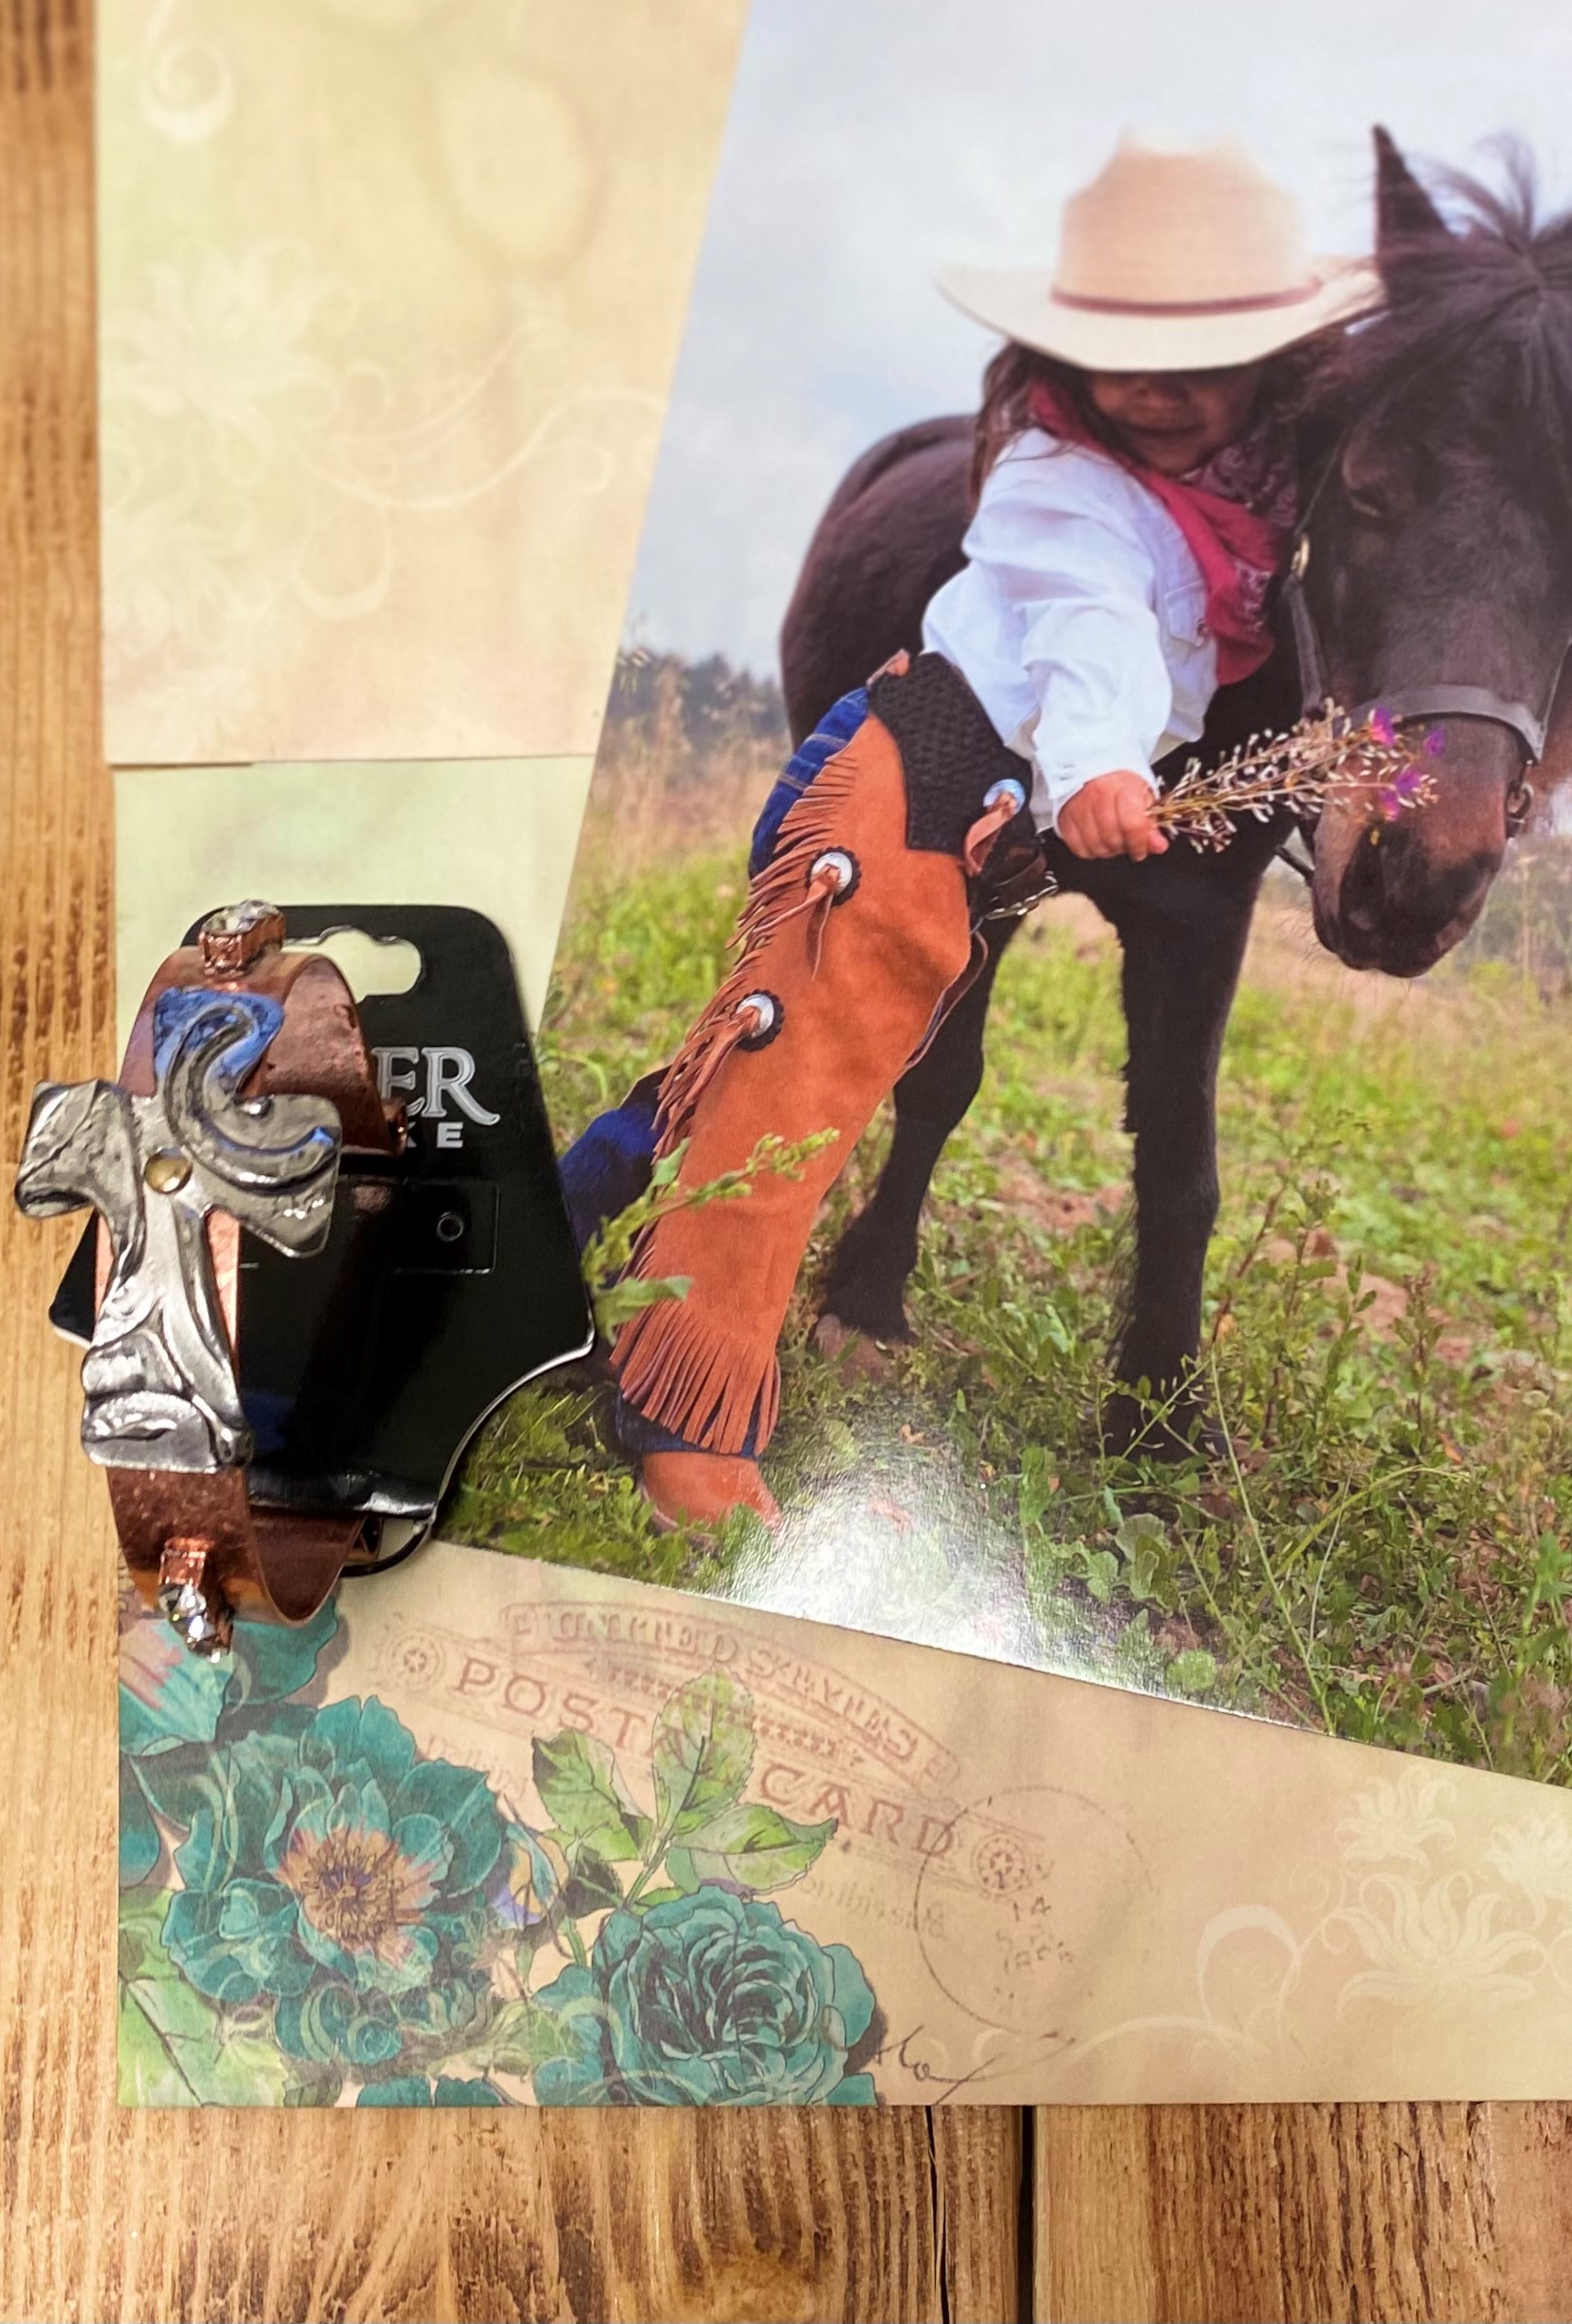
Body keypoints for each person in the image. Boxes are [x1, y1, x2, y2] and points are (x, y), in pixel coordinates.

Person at [561, 133, 1377, 1528]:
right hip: (913, 778)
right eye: (1110, 351)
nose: (1148, 389)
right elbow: (1088, 628)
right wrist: (1105, 770)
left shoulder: (1249, 488)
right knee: (800, 1069)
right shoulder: (1058, 481)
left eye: (1198, 358)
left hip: (989, 797)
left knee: (761, 1045)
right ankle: (677, 1401)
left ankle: (538, 1219)